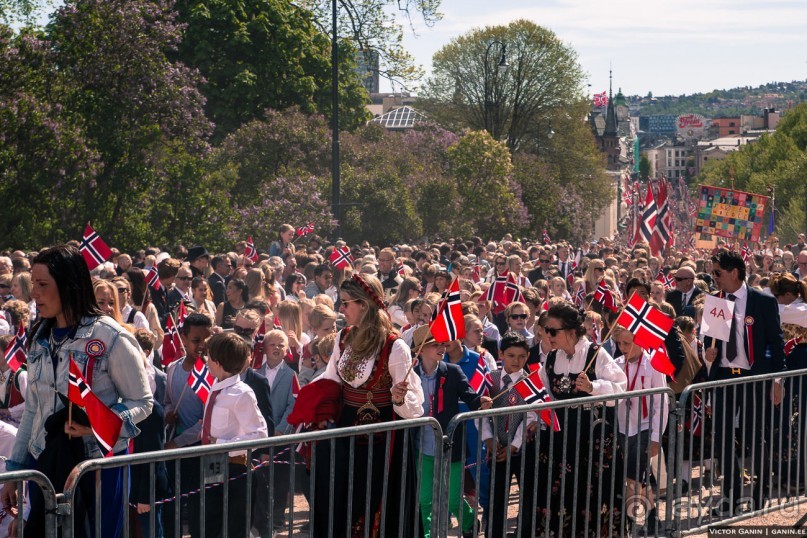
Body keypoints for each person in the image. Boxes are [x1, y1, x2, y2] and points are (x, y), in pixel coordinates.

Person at [1, 245, 152, 537]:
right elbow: (33, 410)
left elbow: (143, 402)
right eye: (33, 284)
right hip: (45, 465)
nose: (35, 293)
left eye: (43, 284)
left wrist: (96, 423)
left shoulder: (110, 336)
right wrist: (16, 472)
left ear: (68, 285)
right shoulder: (40, 337)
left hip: (96, 469)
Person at [311, 273, 423, 537]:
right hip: (347, 433)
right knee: (344, 495)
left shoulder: (395, 347)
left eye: (346, 302)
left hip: (385, 439)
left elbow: (415, 407)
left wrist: (399, 397)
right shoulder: (343, 338)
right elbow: (331, 381)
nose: (341, 308)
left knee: (377, 500)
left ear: (364, 305)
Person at [703, 250, 786, 515]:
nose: (714, 278)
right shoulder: (715, 301)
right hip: (725, 379)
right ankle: (731, 495)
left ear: (734, 273)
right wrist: (708, 356)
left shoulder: (762, 301)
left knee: (755, 438)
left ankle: (760, 493)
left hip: (753, 377)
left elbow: (776, 343)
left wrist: (777, 379)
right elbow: (710, 344)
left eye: (718, 272)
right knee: (723, 439)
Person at [536, 302, 627, 536]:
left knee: (597, 493)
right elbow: (542, 394)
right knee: (563, 493)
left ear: (572, 332)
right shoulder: (551, 358)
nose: (548, 335)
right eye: (546, 330)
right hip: (562, 439)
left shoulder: (596, 353)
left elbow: (621, 389)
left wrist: (593, 386)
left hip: (594, 438)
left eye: (553, 331)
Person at [412, 325, 491, 538]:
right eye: (435, 344)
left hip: (450, 445)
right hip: (422, 447)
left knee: (453, 498)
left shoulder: (453, 372)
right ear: (420, 349)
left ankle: (469, 523)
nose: (441, 347)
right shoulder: (410, 375)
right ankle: (427, 535)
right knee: (424, 500)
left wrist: (480, 402)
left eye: (442, 343)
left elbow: (470, 397)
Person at [201, 332, 269, 538]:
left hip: (235, 466)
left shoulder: (242, 393)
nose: (206, 360)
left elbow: (259, 434)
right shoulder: (216, 387)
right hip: (213, 463)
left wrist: (222, 443)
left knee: (235, 525)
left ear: (219, 362)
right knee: (210, 520)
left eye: (209, 356)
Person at [613, 326, 669, 534]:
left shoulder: (653, 365)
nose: (622, 347)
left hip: (646, 427)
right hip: (623, 428)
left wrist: (656, 438)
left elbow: (660, 404)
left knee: (634, 477)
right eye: (620, 343)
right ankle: (652, 520)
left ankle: (631, 522)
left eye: (627, 343)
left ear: (640, 342)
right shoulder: (616, 365)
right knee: (637, 479)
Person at [481, 333, 537, 538]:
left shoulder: (531, 380)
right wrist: (489, 440)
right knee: (497, 499)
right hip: (497, 450)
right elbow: (482, 415)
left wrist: (514, 445)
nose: (516, 361)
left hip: (523, 449)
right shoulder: (490, 378)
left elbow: (531, 415)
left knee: (528, 497)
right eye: (511, 355)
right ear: (501, 354)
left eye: (522, 356)